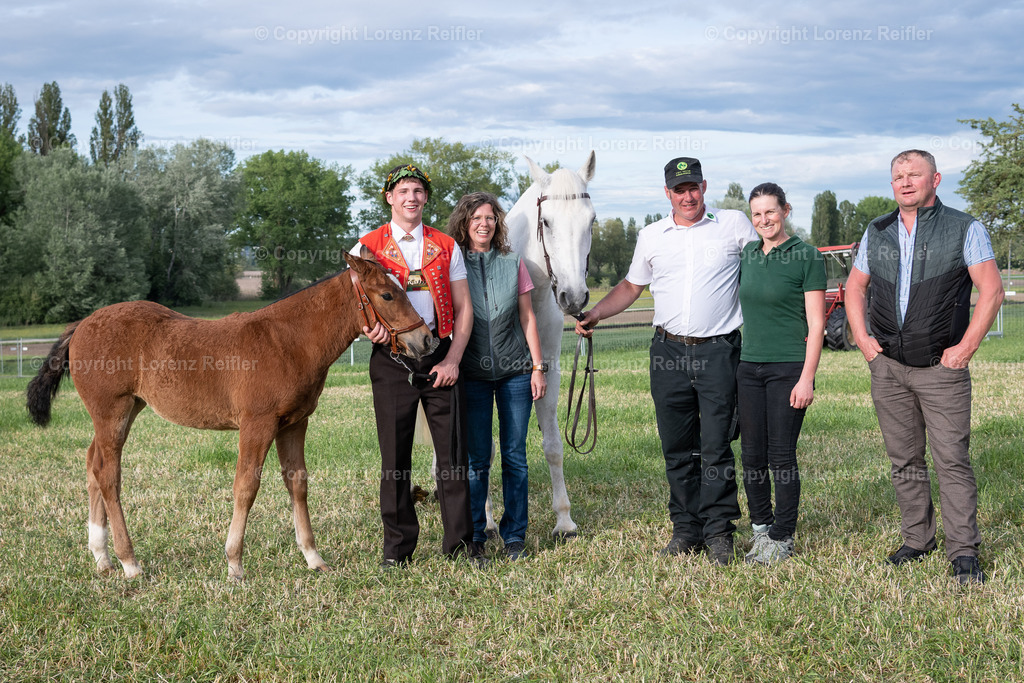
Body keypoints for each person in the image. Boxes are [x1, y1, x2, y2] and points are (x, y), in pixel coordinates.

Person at [575, 157, 757, 565]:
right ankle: (686, 529)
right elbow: (630, 286)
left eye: (693, 187)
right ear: (667, 193)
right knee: (676, 447)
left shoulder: (733, 225)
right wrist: (596, 314)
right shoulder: (652, 235)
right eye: (679, 189)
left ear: (704, 187)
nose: (687, 195)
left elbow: (762, 270)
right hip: (668, 351)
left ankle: (719, 532)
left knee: (716, 447)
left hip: (718, 350)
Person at [845, 149, 1004, 585]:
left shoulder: (964, 228)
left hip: (941, 369)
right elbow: (854, 288)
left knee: (951, 458)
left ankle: (964, 551)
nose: (905, 181)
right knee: (904, 459)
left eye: (915, 174)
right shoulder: (876, 230)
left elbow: (991, 292)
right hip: (889, 368)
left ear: (936, 179)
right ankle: (917, 539)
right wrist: (863, 340)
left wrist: (965, 349)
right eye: (898, 176)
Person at [354, 163, 482, 569]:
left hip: (439, 356)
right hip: (391, 361)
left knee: (453, 457)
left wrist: (453, 359)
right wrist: (367, 330)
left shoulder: (446, 245)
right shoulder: (367, 247)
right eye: (403, 191)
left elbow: (464, 310)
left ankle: (461, 547)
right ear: (389, 198)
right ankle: (397, 551)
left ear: (426, 198)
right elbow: (355, 306)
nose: (412, 198)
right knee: (395, 460)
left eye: (418, 191)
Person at [447, 192, 548, 561]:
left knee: (515, 456)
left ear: (497, 223)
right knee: (476, 460)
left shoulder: (512, 262)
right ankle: (475, 535)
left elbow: (528, 318)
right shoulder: (454, 264)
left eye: (490, 217)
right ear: (464, 222)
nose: (484, 224)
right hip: (472, 374)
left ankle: (515, 536)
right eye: (476, 218)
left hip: (515, 373)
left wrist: (538, 367)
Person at [737, 183, 826, 565]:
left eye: (770, 212)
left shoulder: (806, 256)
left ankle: (783, 536)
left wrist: (806, 378)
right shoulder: (748, 254)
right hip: (748, 366)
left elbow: (817, 323)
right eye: (756, 214)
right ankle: (761, 530)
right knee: (751, 454)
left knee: (780, 456)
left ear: (785, 210)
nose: (764, 220)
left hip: (788, 368)